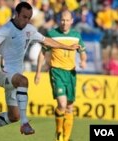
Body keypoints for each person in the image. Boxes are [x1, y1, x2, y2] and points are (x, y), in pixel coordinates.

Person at [0, 1, 80, 137]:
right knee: (24, 81)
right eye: (24, 17)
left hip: (15, 75)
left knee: (13, 116)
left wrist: (67, 47)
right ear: (16, 14)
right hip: (3, 73)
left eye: (29, 18)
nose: (26, 20)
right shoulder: (6, 29)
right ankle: (25, 123)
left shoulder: (30, 30)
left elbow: (46, 40)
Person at [35, 10, 87, 141]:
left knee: (69, 106)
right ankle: (59, 133)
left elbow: (82, 51)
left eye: (67, 20)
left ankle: (66, 137)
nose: (64, 23)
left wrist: (83, 60)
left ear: (72, 21)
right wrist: (38, 72)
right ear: (59, 20)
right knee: (62, 104)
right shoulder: (52, 34)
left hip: (71, 73)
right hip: (57, 71)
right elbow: (42, 53)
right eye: (62, 20)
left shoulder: (76, 35)